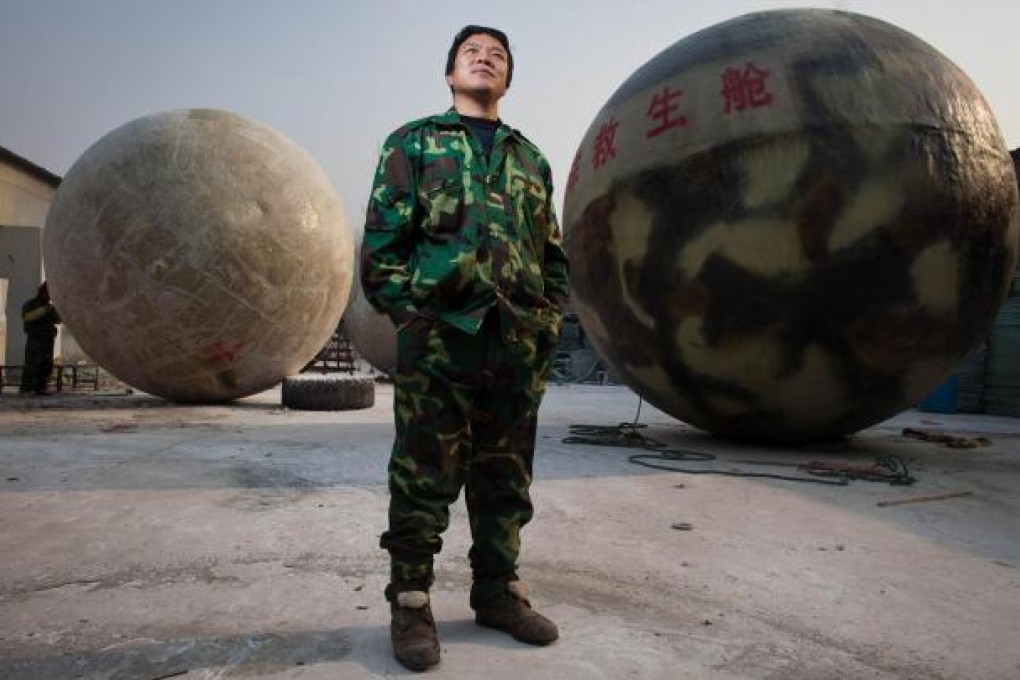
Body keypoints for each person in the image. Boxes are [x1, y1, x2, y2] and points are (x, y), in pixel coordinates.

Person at [360, 24, 570, 672]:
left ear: (508, 78)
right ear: (451, 73)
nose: (485, 59)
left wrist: (547, 320)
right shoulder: (414, 143)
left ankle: (497, 591)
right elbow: (382, 245)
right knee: (423, 475)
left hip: (514, 343)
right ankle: (412, 599)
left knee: (506, 475)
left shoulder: (530, 159)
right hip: (442, 340)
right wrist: (408, 317)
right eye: (472, 52)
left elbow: (551, 255)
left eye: (498, 55)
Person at [20, 281, 61, 395]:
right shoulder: (31, 304)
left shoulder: (50, 306)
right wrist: (44, 310)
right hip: (36, 340)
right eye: (48, 292)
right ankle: (27, 389)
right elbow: (27, 317)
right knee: (32, 365)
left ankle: (41, 388)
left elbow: (58, 320)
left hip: (48, 340)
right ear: (42, 292)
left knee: (46, 365)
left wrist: (56, 309)